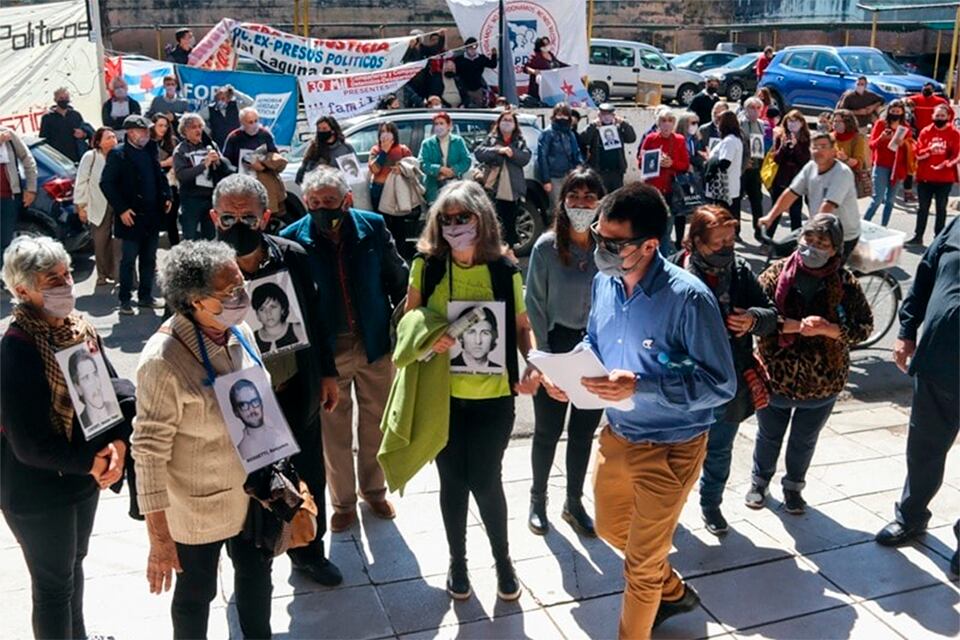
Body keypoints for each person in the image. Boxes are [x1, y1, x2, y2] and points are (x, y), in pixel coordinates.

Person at [541, 182, 735, 637]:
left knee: (641, 567)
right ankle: (672, 591)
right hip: (618, 436)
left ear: (650, 245)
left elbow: (720, 384)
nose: (600, 249)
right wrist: (572, 372)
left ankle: (642, 614)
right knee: (611, 530)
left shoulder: (689, 299)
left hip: (673, 447)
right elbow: (595, 339)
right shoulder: (605, 283)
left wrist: (643, 384)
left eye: (613, 243)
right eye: (599, 237)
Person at [403, 180, 536, 602]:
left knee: (486, 479)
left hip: (494, 398)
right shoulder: (426, 266)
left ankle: (503, 561)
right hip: (442, 397)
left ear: (482, 220)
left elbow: (520, 327)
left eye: (465, 218)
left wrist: (532, 361)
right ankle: (457, 561)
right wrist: (429, 337)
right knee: (452, 481)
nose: (456, 225)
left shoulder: (504, 269)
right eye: (448, 219)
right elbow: (408, 322)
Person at [134, 240, 273, 639]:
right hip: (198, 507)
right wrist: (159, 537)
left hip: (253, 492)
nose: (242, 296)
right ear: (195, 301)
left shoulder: (240, 329)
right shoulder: (163, 360)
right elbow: (148, 453)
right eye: (230, 293)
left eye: (241, 283)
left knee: (257, 582)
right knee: (197, 594)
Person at [212, 173, 343, 586]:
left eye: (248, 218)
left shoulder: (294, 257)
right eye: (229, 219)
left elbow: (318, 322)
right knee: (253, 485)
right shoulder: (203, 270)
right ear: (215, 217)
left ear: (265, 216)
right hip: (241, 403)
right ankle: (253, 564)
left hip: (295, 389)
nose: (239, 227)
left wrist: (327, 373)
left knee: (308, 476)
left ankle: (309, 553)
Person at [1, 236, 130, 640]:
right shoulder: (16, 349)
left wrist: (118, 444)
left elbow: (114, 390)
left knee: (72, 569)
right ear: (23, 290)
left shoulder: (78, 328)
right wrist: (89, 462)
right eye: (51, 280)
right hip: (36, 490)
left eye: (66, 275)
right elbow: (28, 443)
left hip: (81, 478)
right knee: (54, 587)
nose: (65, 285)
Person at [280, 166, 408, 534]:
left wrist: (407, 325)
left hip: (373, 343)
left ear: (346, 200)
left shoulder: (372, 227)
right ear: (305, 202)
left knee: (377, 422)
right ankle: (343, 502)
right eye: (315, 202)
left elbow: (397, 277)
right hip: (326, 352)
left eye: (330, 202)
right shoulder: (292, 240)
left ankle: (374, 490)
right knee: (334, 430)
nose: (323, 208)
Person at [747, 215, 873, 513]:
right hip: (776, 376)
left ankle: (794, 487)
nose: (812, 248)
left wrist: (830, 329)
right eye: (809, 240)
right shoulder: (776, 274)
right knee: (769, 435)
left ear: (835, 249)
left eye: (822, 244)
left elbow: (864, 326)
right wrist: (789, 325)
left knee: (804, 441)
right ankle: (759, 482)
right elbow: (754, 319)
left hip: (823, 381)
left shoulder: (844, 282)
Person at [668, 205, 777, 535]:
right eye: (718, 242)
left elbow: (771, 315)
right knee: (673, 454)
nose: (727, 248)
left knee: (718, 450)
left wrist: (753, 319)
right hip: (682, 380)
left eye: (731, 240)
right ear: (696, 242)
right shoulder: (674, 270)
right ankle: (666, 511)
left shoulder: (741, 271)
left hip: (727, 381)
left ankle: (711, 505)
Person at [524, 168, 606, 537]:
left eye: (589, 198)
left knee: (583, 432)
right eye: (574, 197)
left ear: (600, 202)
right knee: (547, 431)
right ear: (563, 201)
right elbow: (534, 307)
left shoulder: (608, 249)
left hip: (596, 350)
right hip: (557, 346)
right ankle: (537, 500)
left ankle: (573, 502)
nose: (581, 204)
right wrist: (543, 363)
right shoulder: (545, 247)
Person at [875, 218, 958, 566]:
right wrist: (906, 330)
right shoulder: (957, 226)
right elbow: (925, 275)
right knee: (923, 447)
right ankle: (911, 515)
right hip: (937, 363)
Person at [100, 115, 172, 315]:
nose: (146, 135)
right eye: (143, 131)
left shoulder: (150, 150)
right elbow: (106, 184)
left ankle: (145, 297)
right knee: (129, 260)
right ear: (131, 133)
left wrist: (167, 195)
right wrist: (121, 209)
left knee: (149, 258)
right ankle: (125, 299)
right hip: (131, 215)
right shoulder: (118, 154)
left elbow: (159, 176)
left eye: (147, 131)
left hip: (152, 214)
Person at [761, 132, 862, 260]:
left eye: (823, 146)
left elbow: (828, 206)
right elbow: (791, 193)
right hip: (817, 227)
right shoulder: (810, 167)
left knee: (821, 273)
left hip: (841, 236)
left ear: (833, 150)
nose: (818, 150)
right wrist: (770, 217)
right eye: (815, 147)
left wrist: (809, 232)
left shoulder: (842, 173)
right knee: (781, 250)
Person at [474, 109, 532, 249]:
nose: (507, 123)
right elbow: (479, 153)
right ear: (499, 123)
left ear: (515, 124)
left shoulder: (519, 141)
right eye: (504, 120)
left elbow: (525, 158)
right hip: (493, 187)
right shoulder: (492, 139)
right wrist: (497, 150)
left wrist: (511, 153)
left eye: (510, 120)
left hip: (512, 189)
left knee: (510, 222)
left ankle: (509, 250)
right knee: (493, 221)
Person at [174, 113, 232, 241]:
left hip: (210, 197)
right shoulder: (181, 150)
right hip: (191, 199)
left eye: (200, 126)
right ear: (185, 131)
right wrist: (203, 165)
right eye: (194, 127)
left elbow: (225, 168)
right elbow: (181, 175)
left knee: (211, 237)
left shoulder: (210, 145)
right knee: (189, 237)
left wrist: (218, 161)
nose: (198, 130)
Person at [908, 104, 959, 246]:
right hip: (925, 177)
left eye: (942, 116)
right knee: (923, 208)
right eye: (937, 116)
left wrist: (946, 164)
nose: (940, 118)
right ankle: (918, 236)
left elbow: (956, 155)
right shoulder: (926, 131)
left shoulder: (954, 133)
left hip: (944, 178)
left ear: (948, 117)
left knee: (940, 209)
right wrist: (929, 150)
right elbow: (918, 154)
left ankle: (939, 238)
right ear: (932, 116)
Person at [640, 108, 690, 249]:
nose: (667, 124)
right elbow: (640, 161)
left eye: (670, 120)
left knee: (666, 229)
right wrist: (650, 160)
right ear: (658, 123)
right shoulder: (650, 138)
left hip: (670, 191)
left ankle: (663, 260)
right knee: (649, 228)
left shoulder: (679, 140)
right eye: (663, 120)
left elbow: (685, 165)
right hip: (652, 190)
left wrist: (671, 163)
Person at [75, 128, 120, 285]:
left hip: (118, 203)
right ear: (99, 142)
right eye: (108, 138)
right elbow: (81, 181)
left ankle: (117, 274)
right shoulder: (91, 157)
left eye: (114, 137)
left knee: (118, 242)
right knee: (101, 242)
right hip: (97, 204)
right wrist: (81, 206)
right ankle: (102, 274)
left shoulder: (120, 155)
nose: (113, 140)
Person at [223, 108, 287, 217]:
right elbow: (225, 161)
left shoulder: (265, 135)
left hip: (263, 180)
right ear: (242, 123)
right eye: (250, 122)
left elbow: (274, 157)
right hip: (242, 183)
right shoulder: (234, 137)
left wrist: (262, 167)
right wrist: (236, 170)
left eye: (256, 121)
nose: (254, 125)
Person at [864, 100, 912, 227]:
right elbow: (871, 145)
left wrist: (903, 144)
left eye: (898, 111)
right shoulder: (881, 124)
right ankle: (863, 224)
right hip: (881, 165)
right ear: (888, 111)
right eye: (893, 111)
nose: (895, 113)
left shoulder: (905, 127)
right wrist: (882, 138)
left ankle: (883, 227)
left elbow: (911, 146)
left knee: (890, 201)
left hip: (897, 167)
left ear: (902, 112)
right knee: (877, 199)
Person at [767, 109, 811, 234]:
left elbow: (804, 160)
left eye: (795, 121)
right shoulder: (781, 137)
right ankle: (767, 241)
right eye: (790, 121)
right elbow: (776, 159)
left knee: (795, 214)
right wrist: (783, 147)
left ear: (802, 123)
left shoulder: (806, 139)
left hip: (797, 181)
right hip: (781, 179)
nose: (792, 124)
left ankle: (794, 242)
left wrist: (796, 146)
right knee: (776, 211)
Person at [0, 127, 38, 270]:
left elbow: (27, 159)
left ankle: (5, 276)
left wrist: (31, 188)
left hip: (8, 197)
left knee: (5, 241)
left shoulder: (8, 135)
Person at [536, 103, 583, 210]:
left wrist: (580, 166)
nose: (562, 118)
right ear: (554, 116)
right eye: (559, 115)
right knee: (557, 207)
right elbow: (542, 157)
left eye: (565, 115)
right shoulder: (548, 133)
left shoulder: (569, 133)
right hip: (554, 177)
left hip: (569, 175)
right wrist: (546, 180)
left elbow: (576, 152)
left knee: (570, 205)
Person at [419, 111, 472, 204]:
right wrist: (439, 169)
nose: (439, 126)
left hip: (454, 187)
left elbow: (466, 160)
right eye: (436, 124)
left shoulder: (458, 141)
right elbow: (422, 163)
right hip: (433, 188)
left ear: (449, 125)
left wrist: (453, 171)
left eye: (441, 123)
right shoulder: (427, 143)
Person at [583, 103, 637, 193]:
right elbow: (584, 140)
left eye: (609, 114)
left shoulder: (618, 128)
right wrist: (592, 126)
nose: (606, 117)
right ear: (599, 115)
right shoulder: (595, 128)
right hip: (600, 171)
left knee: (616, 197)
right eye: (604, 114)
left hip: (616, 171)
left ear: (613, 115)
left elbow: (631, 138)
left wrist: (624, 124)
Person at [706, 111, 744, 231]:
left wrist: (711, 160)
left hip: (725, 188)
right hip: (730, 187)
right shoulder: (734, 139)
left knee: (725, 218)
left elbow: (724, 163)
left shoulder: (729, 141)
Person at [68, 349, 120, 429]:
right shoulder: (79, 424)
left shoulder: (116, 406)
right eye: (85, 378)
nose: (94, 384)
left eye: (95, 374)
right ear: (78, 388)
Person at [296, 116, 356, 184]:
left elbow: (352, 173)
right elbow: (305, 170)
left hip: (340, 187)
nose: (321, 132)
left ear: (333, 130)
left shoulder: (346, 148)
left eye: (324, 129)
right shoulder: (314, 147)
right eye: (319, 129)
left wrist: (332, 171)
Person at [739, 96, 767, 240]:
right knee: (737, 200)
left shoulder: (762, 124)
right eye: (751, 108)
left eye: (758, 108)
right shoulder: (740, 124)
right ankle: (736, 232)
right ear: (746, 109)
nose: (755, 111)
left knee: (757, 201)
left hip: (756, 168)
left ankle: (759, 232)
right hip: (742, 169)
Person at [151, 113, 181, 246]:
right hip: (153, 185)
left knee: (172, 221)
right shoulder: (148, 143)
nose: (163, 128)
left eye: (165, 125)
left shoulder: (174, 142)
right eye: (160, 125)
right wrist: (164, 163)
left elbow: (179, 160)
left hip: (171, 183)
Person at [39, 87, 88, 162]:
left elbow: (86, 133)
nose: (64, 100)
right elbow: (43, 139)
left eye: (66, 98)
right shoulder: (47, 118)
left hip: (76, 156)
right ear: (55, 100)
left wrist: (83, 134)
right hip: (58, 158)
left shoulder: (75, 115)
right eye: (61, 98)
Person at [199, 85, 253, 149]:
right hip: (219, 145)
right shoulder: (210, 109)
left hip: (237, 144)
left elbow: (250, 102)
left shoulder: (236, 106)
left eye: (223, 98)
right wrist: (207, 129)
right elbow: (197, 118)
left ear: (228, 98)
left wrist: (234, 92)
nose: (220, 101)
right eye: (218, 99)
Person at [455, 38, 497, 107]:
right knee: (466, 106)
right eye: (469, 47)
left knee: (479, 105)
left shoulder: (481, 58)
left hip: (477, 88)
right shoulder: (459, 59)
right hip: (464, 88)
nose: (472, 49)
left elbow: (492, 64)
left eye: (474, 46)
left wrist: (494, 54)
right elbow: (455, 72)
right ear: (466, 47)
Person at [524, 36, 566, 103]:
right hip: (538, 88)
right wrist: (534, 71)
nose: (547, 46)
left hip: (551, 86)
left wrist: (569, 67)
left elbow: (559, 64)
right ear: (540, 46)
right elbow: (525, 68)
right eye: (544, 44)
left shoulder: (550, 54)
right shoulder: (535, 56)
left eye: (548, 44)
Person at [832, 109, 870, 180]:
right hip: (831, 176)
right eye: (835, 121)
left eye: (840, 121)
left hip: (848, 177)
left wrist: (846, 159)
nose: (836, 124)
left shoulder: (857, 138)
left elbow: (859, 164)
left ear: (848, 123)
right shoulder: (830, 137)